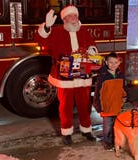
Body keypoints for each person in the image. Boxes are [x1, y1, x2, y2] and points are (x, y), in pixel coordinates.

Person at [36, 5, 98, 145]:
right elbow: (41, 40)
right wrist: (46, 27)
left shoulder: (84, 31)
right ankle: (66, 132)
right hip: (64, 76)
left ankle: (86, 130)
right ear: (64, 19)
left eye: (75, 16)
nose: (74, 19)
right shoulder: (57, 32)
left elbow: (91, 44)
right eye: (70, 16)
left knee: (84, 104)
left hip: (82, 75)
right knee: (65, 106)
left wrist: (92, 50)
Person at [94, 52, 129, 150]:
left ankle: (116, 141)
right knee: (108, 126)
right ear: (106, 62)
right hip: (107, 107)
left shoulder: (120, 75)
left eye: (115, 62)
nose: (113, 65)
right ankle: (107, 142)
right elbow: (97, 93)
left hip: (117, 105)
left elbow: (123, 88)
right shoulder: (102, 76)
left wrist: (127, 97)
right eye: (111, 62)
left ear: (119, 63)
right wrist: (98, 106)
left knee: (117, 125)